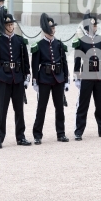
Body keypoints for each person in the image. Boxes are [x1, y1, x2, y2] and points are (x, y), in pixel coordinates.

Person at [0, 7, 31, 149]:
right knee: (2, 110)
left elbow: (25, 59)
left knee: (19, 109)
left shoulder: (20, 40)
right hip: (4, 78)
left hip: (18, 78)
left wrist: (27, 75)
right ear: (4, 26)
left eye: (12, 24)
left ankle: (21, 137)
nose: (11, 27)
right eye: (8, 25)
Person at [72, 12, 101, 140]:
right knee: (83, 105)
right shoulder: (81, 41)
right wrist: (77, 76)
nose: (94, 27)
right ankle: (79, 131)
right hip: (87, 75)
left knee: (100, 105)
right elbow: (77, 60)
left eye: (95, 25)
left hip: (99, 76)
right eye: (92, 25)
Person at [31, 13, 70, 144]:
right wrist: (35, 80)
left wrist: (66, 79)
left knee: (59, 107)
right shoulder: (39, 45)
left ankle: (61, 133)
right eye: (51, 28)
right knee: (41, 107)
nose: (53, 30)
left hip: (58, 78)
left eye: (54, 28)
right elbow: (35, 64)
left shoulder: (59, 44)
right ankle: (37, 134)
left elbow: (64, 62)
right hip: (44, 79)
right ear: (45, 29)